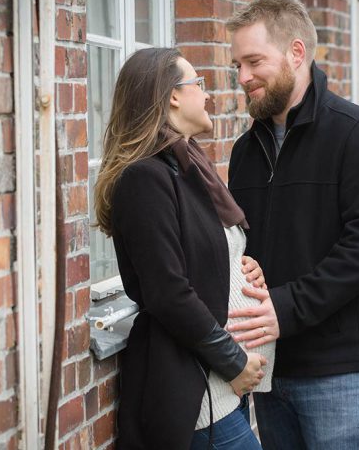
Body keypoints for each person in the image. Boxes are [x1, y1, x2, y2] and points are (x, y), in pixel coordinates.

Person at [225, 0, 359, 450]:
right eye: (237, 65)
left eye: (254, 61)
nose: (243, 77)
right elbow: (246, 247)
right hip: (268, 366)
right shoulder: (246, 153)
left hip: (339, 370)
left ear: (296, 52)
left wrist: (285, 309)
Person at [93, 47, 275, 450]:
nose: (207, 95)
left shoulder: (190, 167)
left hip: (227, 391)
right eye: (199, 84)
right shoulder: (145, 179)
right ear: (173, 95)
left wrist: (243, 267)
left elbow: (203, 255)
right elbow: (167, 292)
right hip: (198, 392)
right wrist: (234, 361)